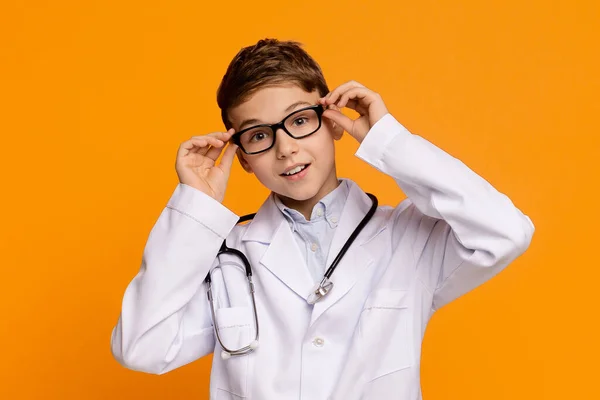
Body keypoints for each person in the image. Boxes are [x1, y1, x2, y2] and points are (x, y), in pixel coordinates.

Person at [110, 38, 534, 400]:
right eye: (259, 135)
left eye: (299, 121)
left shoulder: (409, 238)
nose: (286, 149)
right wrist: (195, 208)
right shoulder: (225, 258)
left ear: (331, 122)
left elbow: (506, 232)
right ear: (241, 158)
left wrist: (389, 142)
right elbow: (141, 347)